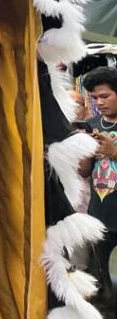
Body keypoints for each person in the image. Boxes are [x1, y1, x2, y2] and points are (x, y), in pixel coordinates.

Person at [79, 66, 117, 315]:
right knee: (99, 284)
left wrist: (114, 152)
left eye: (104, 96)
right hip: (99, 216)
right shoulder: (92, 125)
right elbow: (84, 172)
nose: (99, 102)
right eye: (94, 98)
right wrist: (83, 148)